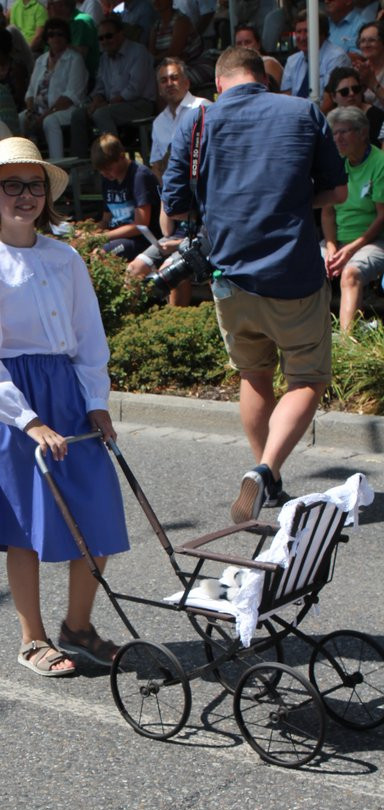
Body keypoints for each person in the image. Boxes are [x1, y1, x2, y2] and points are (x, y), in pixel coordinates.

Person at [0, 137, 129, 676]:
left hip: (69, 395)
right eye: (13, 185)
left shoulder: (66, 258)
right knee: (25, 529)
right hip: (14, 404)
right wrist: (30, 421)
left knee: (96, 516)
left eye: (34, 185)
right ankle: (32, 638)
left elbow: (88, 337)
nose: (26, 196)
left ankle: (78, 627)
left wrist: (97, 402)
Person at [162, 46, 348, 522]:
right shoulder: (303, 111)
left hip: (228, 278)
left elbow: (175, 208)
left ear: (220, 83)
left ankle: (273, 480)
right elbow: (338, 191)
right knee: (307, 378)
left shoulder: (198, 121)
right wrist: (292, 197)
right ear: (263, 77)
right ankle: (266, 470)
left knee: (254, 375)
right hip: (293, 273)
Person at [323, 105, 384, 330]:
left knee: (351, 272)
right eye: (334, 133)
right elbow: (327, 212)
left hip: (373, 241)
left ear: (362, 133)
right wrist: (331, 248)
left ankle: (347, 344)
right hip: (338, 241)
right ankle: (312, 335)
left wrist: (350, 249)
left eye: (344, 132)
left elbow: (382, 217)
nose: (337, 138)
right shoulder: (336, 164)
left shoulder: (380, 164)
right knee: (309, 266)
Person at [70, 14, 156, 158]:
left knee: (101, 113)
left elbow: (134, 89)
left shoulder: (138, 52)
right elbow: (100, 86)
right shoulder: (104, 58)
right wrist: (97, 99)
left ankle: (114, 160)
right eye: (101, 38)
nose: (105, 41)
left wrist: (106, 104)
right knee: (78, 114)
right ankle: (82, 168)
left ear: (121, 34)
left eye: (108, 36)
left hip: (140, 104)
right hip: (113, 105)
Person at [20, 18, 88, 158]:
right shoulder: (41, 60)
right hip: (39, 110)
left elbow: (70, 97)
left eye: (59, 34)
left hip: (67, 110)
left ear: (66, 37)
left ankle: (58, 165)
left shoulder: (75, 59)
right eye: (51, 34)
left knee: (50, 121)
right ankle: (25, 160)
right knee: (20, 119)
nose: (55, 38)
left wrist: (44, 115)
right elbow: (31, 92)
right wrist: (31, 111)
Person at [90, 132, 160, 258]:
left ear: (122, 157)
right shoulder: (109, 180)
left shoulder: (139, 176)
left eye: (108, 169)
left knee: (101, 254)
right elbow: (106, 219)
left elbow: (141, 225)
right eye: (100, 170)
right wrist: (89, 234)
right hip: (117, 236)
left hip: (143, 240)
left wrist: (102, 237)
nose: (104, 174)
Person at [281, 10, 349, 98]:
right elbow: (286, 97)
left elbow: (330, 99)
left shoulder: (337, 58)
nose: (302, 37)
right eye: (298, 32)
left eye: (307, 31)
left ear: (322, 33)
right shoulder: (292, 61)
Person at [324, 64, 384, 142]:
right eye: (344, 92)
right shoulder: (330, 121)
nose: (351, 93)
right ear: (333, 97)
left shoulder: (376, 117)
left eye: (356, 89)